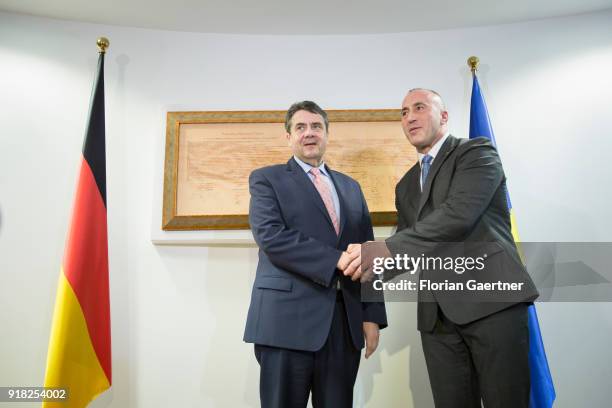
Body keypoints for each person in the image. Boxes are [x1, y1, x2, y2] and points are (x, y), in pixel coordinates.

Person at [345, 89, 539, 407]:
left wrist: (384, 248)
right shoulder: (406, 184)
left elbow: (457, 216)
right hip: (437, 318)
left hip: (492, 304)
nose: (409, 117)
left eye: (419, 108)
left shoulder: (476, 153)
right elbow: (407, 247)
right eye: (404, 112)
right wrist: (354, 270)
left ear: (443, 116)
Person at [244, 100, 387, 408]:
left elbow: (368, 250)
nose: (309, 133)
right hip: (285, 324)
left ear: (326, 134)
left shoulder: (351, 187)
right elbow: (272, 237)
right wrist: (335, 259)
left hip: (342, 324)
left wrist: (372, 316)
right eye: (300, 127)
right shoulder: (266, 179)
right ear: (288, 136)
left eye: (316, 127)